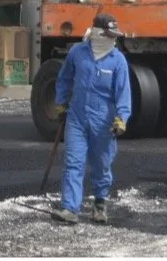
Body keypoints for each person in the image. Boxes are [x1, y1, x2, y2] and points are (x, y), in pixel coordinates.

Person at [51, 13, 132, 224]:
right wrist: (61, 102)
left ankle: (99, 203)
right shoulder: (77, 53)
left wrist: (121, 118)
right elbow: (65, 77)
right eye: (108, 35)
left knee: (102, 164)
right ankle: (70, 208)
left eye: (114, 36)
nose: (112, 40)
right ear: (96, 33)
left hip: (103, 121)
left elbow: (123, 93)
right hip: (77, 117)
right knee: (73, 162)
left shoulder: (118, 60)